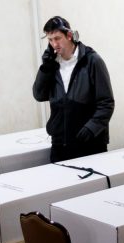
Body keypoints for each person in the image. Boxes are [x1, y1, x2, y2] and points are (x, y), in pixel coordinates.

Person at [32, 16, 114, 162]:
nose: (54, 44)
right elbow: (39, 95)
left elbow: (106, 103)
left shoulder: (92, 61)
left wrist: (92, 128)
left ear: (69, 36)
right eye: (50, 40)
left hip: (90, 142)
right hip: (60, 143)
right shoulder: (52, 65)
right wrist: (46, 68)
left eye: (57, 38)